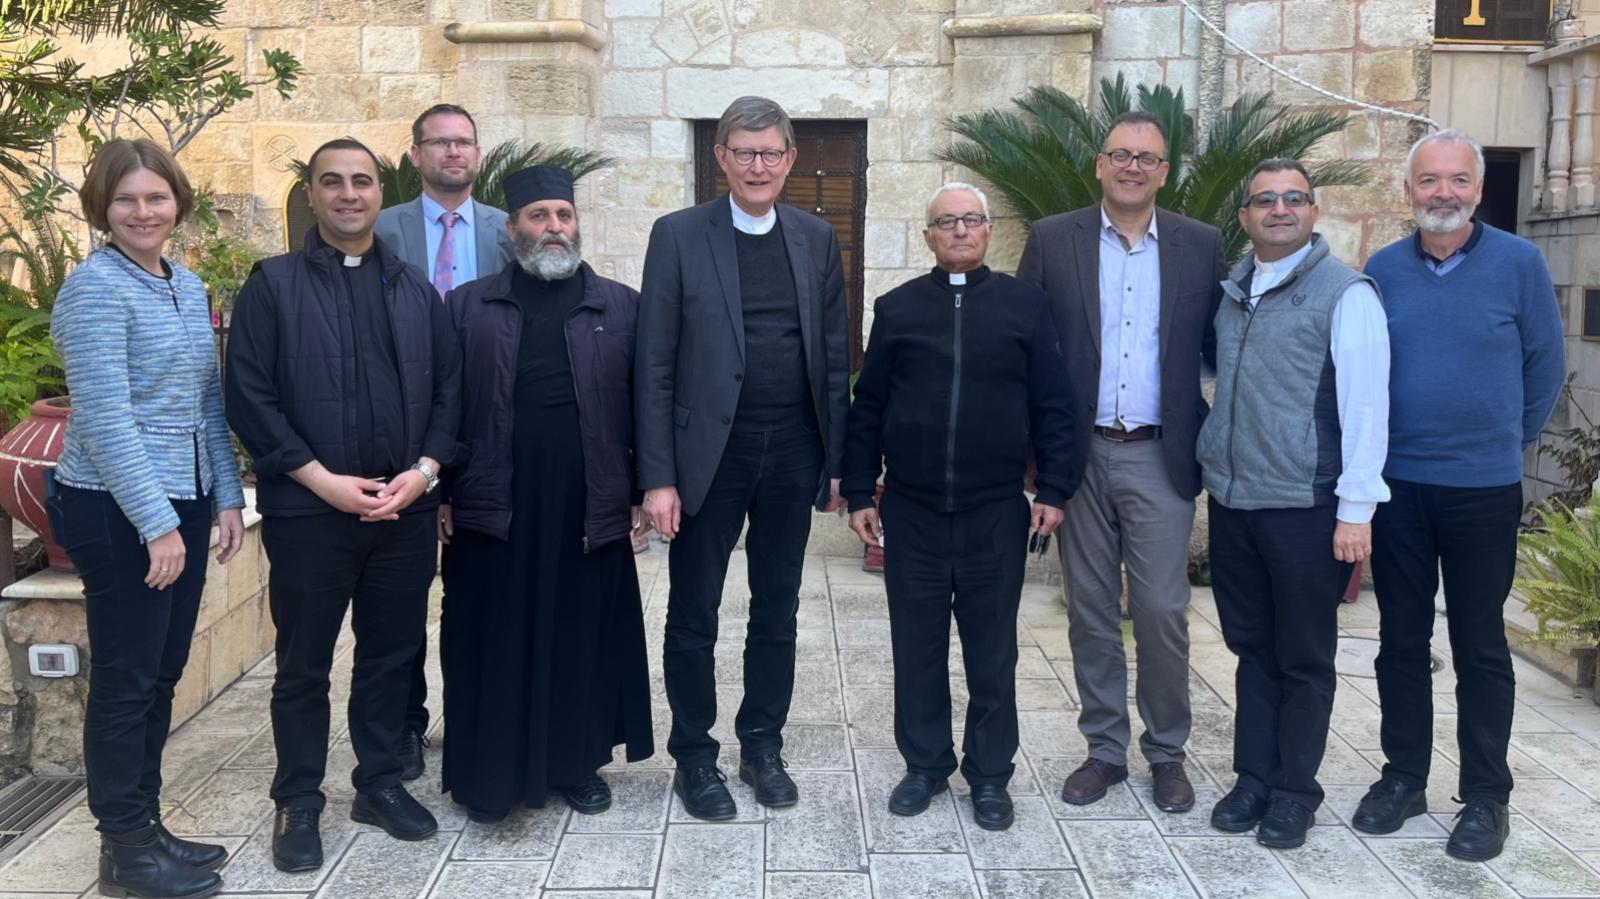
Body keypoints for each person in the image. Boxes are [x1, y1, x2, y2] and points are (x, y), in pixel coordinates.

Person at [225, 138, 463, 873]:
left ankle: (379, 781)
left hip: (403, 509)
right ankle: (298, 798)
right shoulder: (273, 284)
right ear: (314, 194)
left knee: (392, 654)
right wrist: (318, 478)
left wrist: (423, 472)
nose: (350, 194)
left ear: (379, 192)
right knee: (304, 663)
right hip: (310, 512)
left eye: (362, 181)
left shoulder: (415, 287)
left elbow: (452, 391)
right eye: (334, 182)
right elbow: (249, 395)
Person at [636, 96, 850, 820]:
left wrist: (837, 460)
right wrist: (657, 475)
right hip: (708, 453)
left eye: (772, 153)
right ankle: (694, 755)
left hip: (792, 447)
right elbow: (653, 362)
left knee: (778, 606)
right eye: (744, 152)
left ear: (790, 159)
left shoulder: (817, 238)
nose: (758, 166)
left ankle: (761, 742)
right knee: (694, 610)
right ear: (720, 158)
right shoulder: (678, 236)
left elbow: (833, 355)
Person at [1356, 129, 1565, 862]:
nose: (1443, 193)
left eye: (1457, 180)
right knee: (1400, 642)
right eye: (1428, 180)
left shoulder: (1521, 263)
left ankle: (1485, 796)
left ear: (1476, 189)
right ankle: (1404, 776)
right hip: (1399, 487)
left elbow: (1545, 365)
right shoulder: (1382, 269)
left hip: (1483, 488)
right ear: (1407, 189)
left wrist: (1504, 441)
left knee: (1480, 646)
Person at [842, 183, 1077, 832]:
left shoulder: (1026, 309)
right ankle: (925, 764)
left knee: (991, 653)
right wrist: (861, 491)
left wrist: (1054, 489)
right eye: (946, 221)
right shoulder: (897, 310)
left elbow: (1055, 405)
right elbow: (869, 408)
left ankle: (990, 775)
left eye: (971, 220)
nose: (960, 231)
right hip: (913, 511)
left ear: (987, 230)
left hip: (994, 511)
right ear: (928, 236)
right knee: (916, 649)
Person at [48, 138, 245, 899]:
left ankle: (145, 826)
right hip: (117, 506)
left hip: (185, 499)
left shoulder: (183, 283)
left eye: (156, 197)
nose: (143, 211)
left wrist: (225, 495)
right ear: (103, 207)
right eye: (126, 199)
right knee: (127, 680)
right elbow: (102, 417)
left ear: (178, 202)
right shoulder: (96, 289)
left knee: (159, 675)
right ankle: (126, 847)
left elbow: (204, 403)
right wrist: (156, 522)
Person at [1016, 110, 1227, 814]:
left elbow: (1221, 350)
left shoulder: (1202, 246)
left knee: (1164, 608)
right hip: (1078, 457)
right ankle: (1105, 748)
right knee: (1091, 610)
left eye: (1148, 157)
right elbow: (1026, 353)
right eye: (1121, 154)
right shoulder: (1053, 240)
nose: (1134, 166)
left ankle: (1166, 750)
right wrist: (1034, 457)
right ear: (1099, 165)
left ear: (1165, 172)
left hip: (1159, 454)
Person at [437, 165, 654, 821]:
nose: (553, 227)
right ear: (512, 229)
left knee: (580, 632)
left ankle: (577, 762)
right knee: (491, 634)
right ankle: (488, 773)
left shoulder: (620, 304)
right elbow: (445, 405)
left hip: (587, 499)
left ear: (576, 223)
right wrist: (442, 489)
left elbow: (645, 404)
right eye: (539, 216)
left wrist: (643, 490)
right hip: (494, 498)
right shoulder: (468, 305)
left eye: (563, 215)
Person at [1196, 159, 1390, 849]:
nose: (1279, 209)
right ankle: (1253, 776)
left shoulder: (1347, 293)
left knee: (1304, 654)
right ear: (1245, 217)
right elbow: (1216, 372)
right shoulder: (1233, 291)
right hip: (1236, 498)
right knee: (1251, 648)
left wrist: (1355, 511)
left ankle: (1294, 791)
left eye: (1293, 199)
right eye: (1264, 200)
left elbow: (1368, 407)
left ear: (1313, 211)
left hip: (1306, 503)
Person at [373, 103, 516, 783]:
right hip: (402, 433)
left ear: (478, 154)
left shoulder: (508, 231)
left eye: (464, 142)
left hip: (485, 435)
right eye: (439, 142)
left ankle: (474, 713)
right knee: (400, 597)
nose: (453, 153)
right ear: (416, 153)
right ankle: (403, 722)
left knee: (475, 592)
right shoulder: (382, 230)